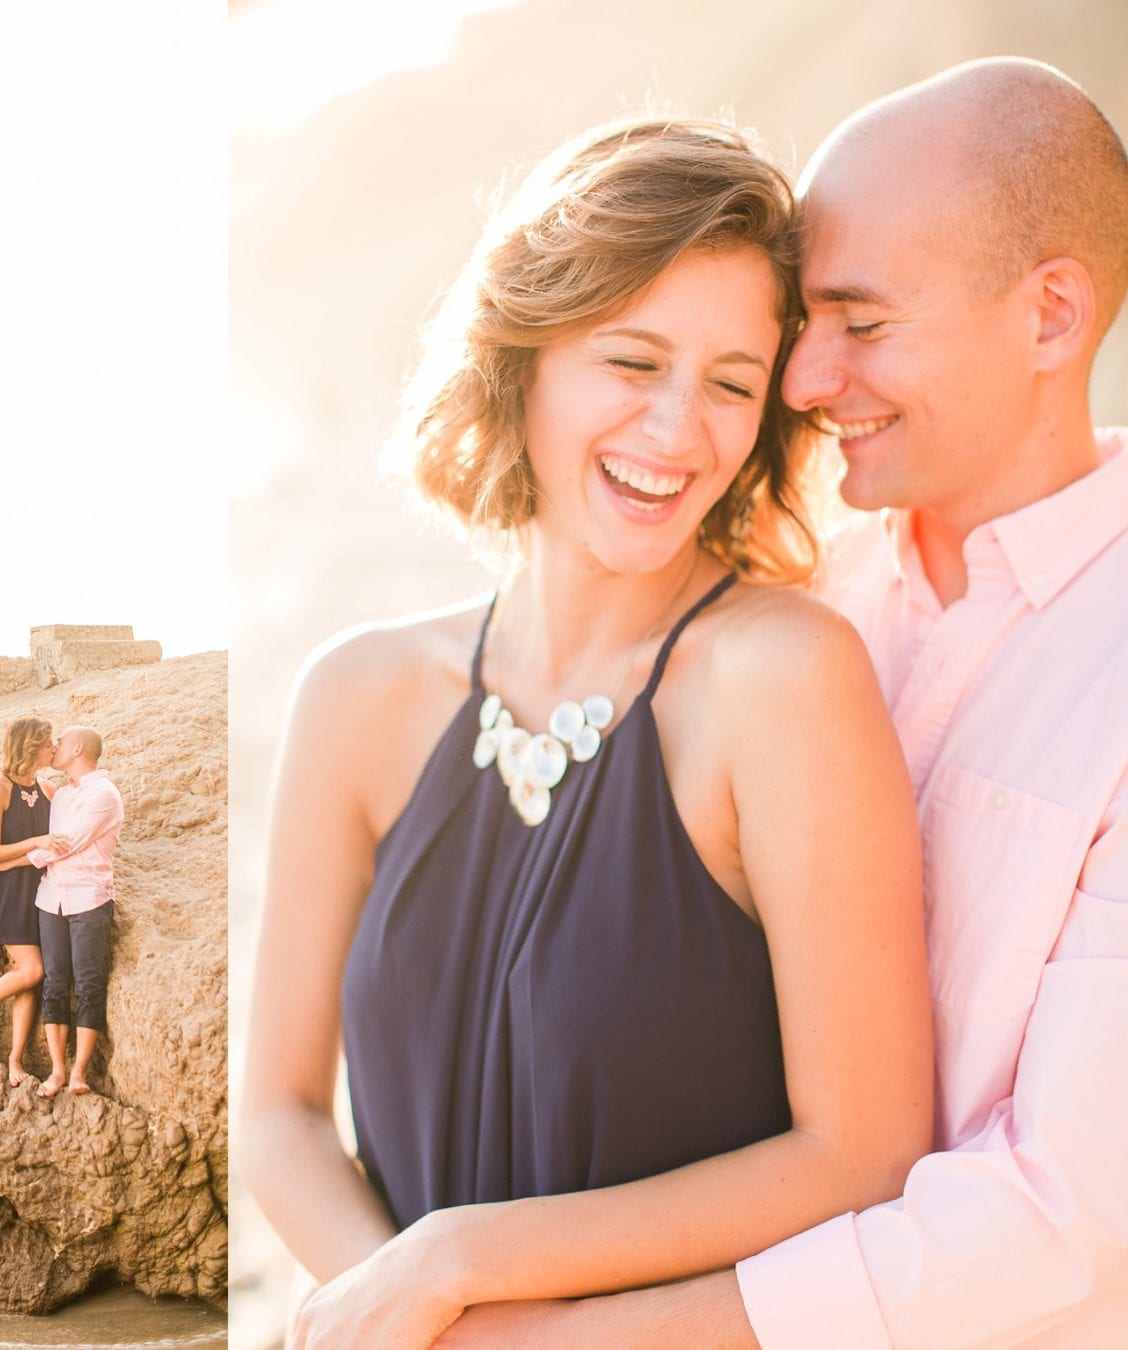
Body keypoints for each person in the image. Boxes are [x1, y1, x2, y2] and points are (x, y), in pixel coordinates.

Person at [433, 57, 1128, 1348]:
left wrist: (536, 1332)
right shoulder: (804, 589)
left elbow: (1063, 1211)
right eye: (805, 326)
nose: (802, 384)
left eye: (861, 326)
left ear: (1050, 317)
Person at [242, 115, 935, 1349]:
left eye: (731, 383)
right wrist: (395, 1303)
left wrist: (465, 1265)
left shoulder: (781, 679)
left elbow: (864, 1149)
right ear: (526, 359)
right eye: (633, 361)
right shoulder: (357, 696)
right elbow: (280, 1110)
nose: (680, 431)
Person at [0, 716, 63, 1087]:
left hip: (43, 889)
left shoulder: (50, 789)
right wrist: (36, 843)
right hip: (9, 891)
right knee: (31, 970)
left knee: (31, 980)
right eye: (50, 741)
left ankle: (15, 1061)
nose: (56, 746)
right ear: (32, 746)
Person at [30, 725, 124, 1098]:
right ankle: (56, 1071)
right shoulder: (61, 795)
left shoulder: (104, 794)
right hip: (50, 897)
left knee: (88, 983)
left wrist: (24, 858)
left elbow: (66, 844)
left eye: (61, 743)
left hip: (89, 899)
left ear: (78, 749)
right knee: (54, 982)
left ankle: (80, 1073)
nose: (54, 748)